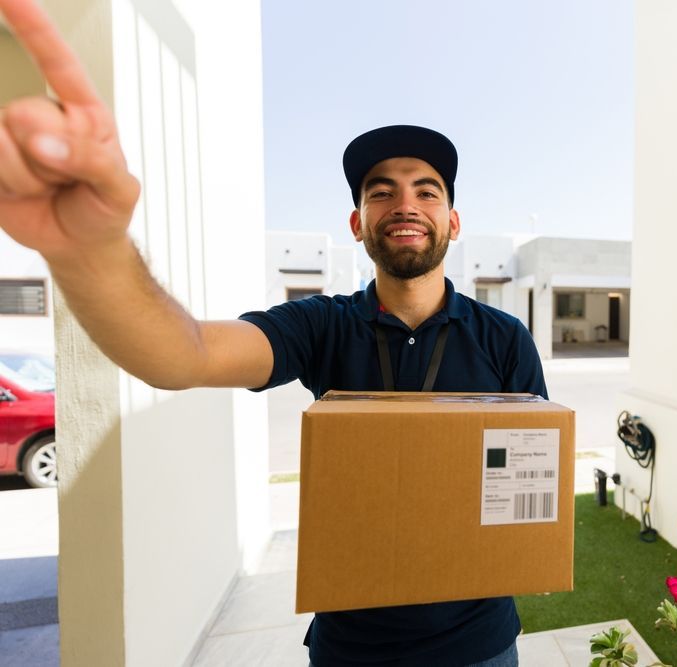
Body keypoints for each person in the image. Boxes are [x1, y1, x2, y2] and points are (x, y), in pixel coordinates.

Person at [0, 1, 545, 665]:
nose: (405, 203)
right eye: (382, 190)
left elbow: (527, 481)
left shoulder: (504, 338)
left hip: (479, 643)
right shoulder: (323, 324)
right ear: (357, 222)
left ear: (453, 222)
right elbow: (184, 355)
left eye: (427, 191)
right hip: (353, 646)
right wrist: (93, 251)